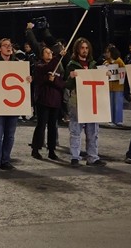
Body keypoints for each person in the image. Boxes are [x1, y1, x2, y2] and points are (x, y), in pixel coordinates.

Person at [0, 38, 30, 170]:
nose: (8, 47)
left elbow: (23, 82)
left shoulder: (17, 63)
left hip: (13, 106)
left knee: (10, 135)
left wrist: (28, 79)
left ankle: (5, 160)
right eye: (5, 46)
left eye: (10, 45)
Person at [65, 38, 105, 168]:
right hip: (76, 102)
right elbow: (67, 85)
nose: (85, 50)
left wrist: (106, 75)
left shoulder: (93, 64)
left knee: (93, 131)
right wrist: (71, 77)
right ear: (77, 49)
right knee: (76, 130)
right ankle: (75, 157)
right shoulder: (71, 64)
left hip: (91, 101)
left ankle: (93, 157)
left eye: (87, 48)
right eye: (82, 48)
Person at [30, 45, 65, 161]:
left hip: (55, 101)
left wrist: (54, 81)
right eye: (46, 53)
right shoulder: (39, 65)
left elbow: (62, 84)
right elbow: (44, 72)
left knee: (52, 127)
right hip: (43, 101)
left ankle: (51, 150)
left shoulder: (58, 67)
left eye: (50, 52)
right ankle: (36, 148)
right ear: (42, 55)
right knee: (41, 125)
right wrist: (59, 56)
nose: (49, 54)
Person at [101, 45, 126, 128]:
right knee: (110, 103)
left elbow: (123, 71)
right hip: (109, 86)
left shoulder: (119, 61)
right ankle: (111, 119)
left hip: (118, 86)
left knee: (118, 103)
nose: (106, 54)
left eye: (108, 52)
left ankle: (118, 120)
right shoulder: (106, 62)